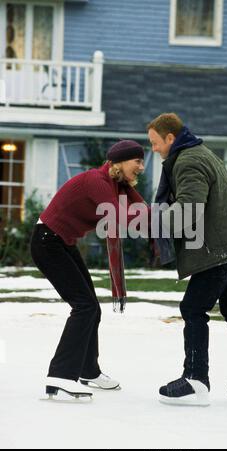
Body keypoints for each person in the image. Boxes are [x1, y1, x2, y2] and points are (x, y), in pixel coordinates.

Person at [148, 113, 227, 406]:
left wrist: (153, 220)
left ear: (170, 138)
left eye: (154, 143)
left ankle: (195, 381)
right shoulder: (198, 151)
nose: (153, 149)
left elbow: (189, 210)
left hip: (220, 249)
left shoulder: (189, 160)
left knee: (192, 308)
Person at [30, 140, 147, 399]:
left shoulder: (117, 186)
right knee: (85, 307)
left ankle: (88, 371)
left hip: (60, 242)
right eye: (137, 161)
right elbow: (120, 217)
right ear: (119, 162)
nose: (142, 167)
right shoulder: (96, 181)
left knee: (90, 306)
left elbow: (140, 213)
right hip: (47, 242)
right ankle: (60, 376)